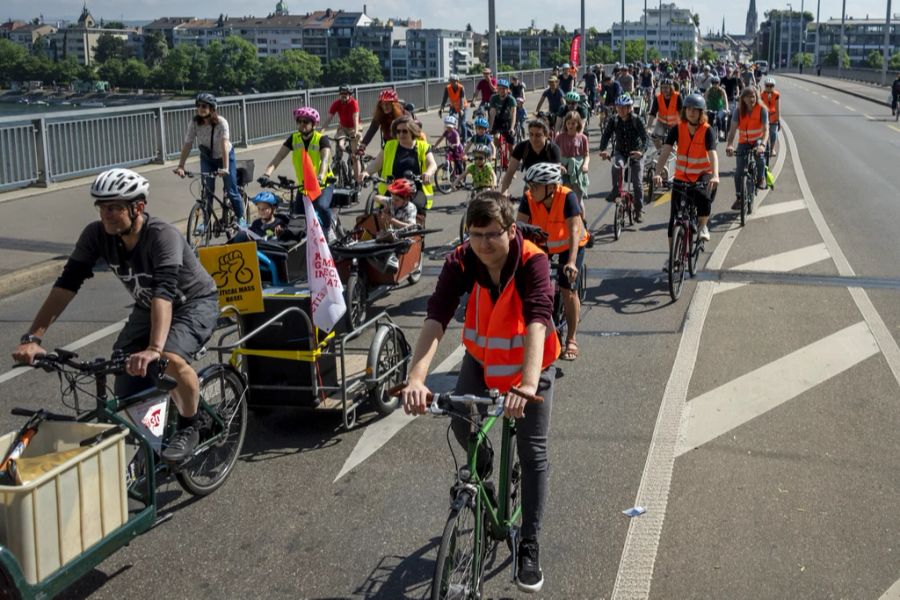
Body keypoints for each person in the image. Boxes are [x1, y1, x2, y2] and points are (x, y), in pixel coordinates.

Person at [400, 191, 559, 593]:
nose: (484, 243)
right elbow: (436, 316)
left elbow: (539, 318)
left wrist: (525, 384)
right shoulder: (462, 259)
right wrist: (416, 378)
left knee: (532, 450)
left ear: (510, 230)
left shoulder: (533, 261)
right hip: (483, 357)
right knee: (458, 419)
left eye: (492, 234)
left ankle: (528, 543)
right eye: (475, 234)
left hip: (529, 365)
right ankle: (483, 462)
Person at [13, 169, 219, 463]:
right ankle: (154, 438)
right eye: (101, 207)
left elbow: (164, 292)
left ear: (138, 208)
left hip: (193, 302)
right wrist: (34, 337)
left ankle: (191, 424)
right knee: (123, 366)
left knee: (168, 359)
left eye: (114, 208)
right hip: (149, 306)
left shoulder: (162, 236)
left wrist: (154, 349)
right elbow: (66, 284)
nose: (106, 215)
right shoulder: (96, 236)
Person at [516, 162, 587, 361]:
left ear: (550, 187)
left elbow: (574, 231)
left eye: (535, 186)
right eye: (529, 185)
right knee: (532, 284)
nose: (531, 190)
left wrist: (571, 262)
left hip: (570, 245)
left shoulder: (567, 197)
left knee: (567, 288)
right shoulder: (529, 198)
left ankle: (571, 339)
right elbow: (519, 229)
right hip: (544, 244)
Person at [653, 94, 719, 249]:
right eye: (689, 109)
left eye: (696, 110)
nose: (692, 112)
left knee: (703, 196)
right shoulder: (677, 128)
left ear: (701, 112)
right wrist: (657, 172)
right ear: (684, 110)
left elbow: (712, 153)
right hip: (682, 176)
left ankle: (703, 226)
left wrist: (715, 175)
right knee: (673, 219)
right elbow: (666, 151)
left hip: (702, 174)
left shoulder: (707, 130)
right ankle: (672, 259)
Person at [259, 106, 335, 234]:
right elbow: (278, 157)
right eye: (299, 121)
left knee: (321, 207)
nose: (301, 124)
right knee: (297, 216)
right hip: (304, 186)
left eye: (305, 122)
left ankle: (328, 230)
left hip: (323, 184)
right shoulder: (293, 138)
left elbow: (325, 160)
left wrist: (321, 176)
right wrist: (266, 174)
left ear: (314, 124)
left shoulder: (321, 139)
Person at [174, 93, 245, 227]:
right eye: (198, 105)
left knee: (231, 190)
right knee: (207, 191)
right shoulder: (194, 123)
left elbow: (224, 144)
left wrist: (225, 168)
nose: (201, 108)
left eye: (204, 106)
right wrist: (181, 166)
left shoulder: (221, 122)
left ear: (212, 108)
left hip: (225, 157)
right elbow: (188, 144)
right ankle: (205, 223)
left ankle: (241, 218)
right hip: (207, 158)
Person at [361, 115, 437, 209]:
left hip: (415, 189)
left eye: (405, 131)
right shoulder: (389, 145)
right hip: (392, 188)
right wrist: (366, 172)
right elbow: (377, 163)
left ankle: (414, 223)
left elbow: (432, 164)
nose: (401, 134)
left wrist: (428, 173)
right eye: (398, 131)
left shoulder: (423, 146)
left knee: (413, 207)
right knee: (383, 212)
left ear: (412, 132)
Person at [599, 93, 649, 222]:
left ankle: (638, 210)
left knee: (637, 183)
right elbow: (606, 135)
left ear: (630, 108)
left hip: (635, 152)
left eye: (624, 107)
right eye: (618, 107)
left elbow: (645, 138)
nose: (621, 110)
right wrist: (603, 150)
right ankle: (616, 191)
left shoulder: (637, 120)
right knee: (617, 166)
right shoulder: (614, 120)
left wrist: (641, 152)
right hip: (620, 151)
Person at [725, 86, 769, 211]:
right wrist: (729, 144)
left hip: (757, 141)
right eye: (748, 97)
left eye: (753, 96)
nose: (751, 99)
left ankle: (760, 178)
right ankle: (739, 197)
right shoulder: (738, 111)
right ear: (743, 99)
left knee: (760, 158)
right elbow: (732, 131)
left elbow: (765, 131)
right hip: (743, 142)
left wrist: (762, 145)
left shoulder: (762, 110)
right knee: (738, 171)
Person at [500, 118, 562, 194]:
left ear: (546, 135)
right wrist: (503, 194)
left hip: (549, 186)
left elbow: (557, 176)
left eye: (538, 135)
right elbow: (510, 173)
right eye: (531, 134)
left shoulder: (553, 149)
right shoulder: (522, 147)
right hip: (531, 186)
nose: (533, 138)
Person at [374, 178, 419, 272]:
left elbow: (410, 226)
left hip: (405, 236)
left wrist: (391, 220)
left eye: (397, 200)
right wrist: (385, 206)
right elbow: (376, 197)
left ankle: (393, 260)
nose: (393, 201)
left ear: (406, 199)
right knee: (377, 238)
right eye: (392, 198)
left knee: (396, 242)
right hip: (391, 234)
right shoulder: (391, 202)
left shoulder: (411, 208)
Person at [321, 84, 362, 180]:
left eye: (346, 93)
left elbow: (355, 118)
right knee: (339, 143)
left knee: (354, 156)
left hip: (354, 127)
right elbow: (328, 119)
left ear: (350, 94)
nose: (343, 95)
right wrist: (320, 133)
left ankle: (358, 179)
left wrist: (356, 133)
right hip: (343, 127)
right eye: (342, 93)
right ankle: (337, 164)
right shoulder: (336, 103)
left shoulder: (353, 103)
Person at [556, 111, 591, 206]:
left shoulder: (583, 138)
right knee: (566, 199)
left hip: (578, 171)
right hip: (564, 171)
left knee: (577, 202)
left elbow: (586, 155)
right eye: (568, 123)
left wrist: (585, 165)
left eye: (573, 123)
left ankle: (582, 220)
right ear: (565, 124)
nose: (570, 126)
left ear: (578, 124)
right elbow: (554, 155)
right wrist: (559, 165)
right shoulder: (559, 138)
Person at [359, 89, 405, 154]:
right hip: (388, 143)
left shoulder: (403, 114)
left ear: (394, 105)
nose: (385, 107)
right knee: (379, 163)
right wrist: (363, 145)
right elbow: (372, 130)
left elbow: (415, 128)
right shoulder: (380, 114)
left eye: (388, 104)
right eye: (382, 104)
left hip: (403, 144)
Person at [647, 78, 682, 150]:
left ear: (671, 88)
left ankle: (680, 155)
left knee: (679, 140)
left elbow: (682, 112)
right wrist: (648, 127)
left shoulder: (677, 97)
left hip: (674, 124)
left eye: (666, 87)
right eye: (662, 87)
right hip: (661, 122)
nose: (664, 89)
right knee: (654, 136)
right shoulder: (658, 98)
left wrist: (683, 125)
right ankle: (660, 152)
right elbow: (653, 113)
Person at [439, 74, 469, 145]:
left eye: (454, 81)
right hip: (453, 106)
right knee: (450, 122)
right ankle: (452, 138)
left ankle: (464, 141)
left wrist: (461, 109)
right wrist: (441, 108)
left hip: (463, 107)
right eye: (451, 81)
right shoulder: (447, 88)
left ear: (457, 81)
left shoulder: (461, 88)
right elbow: (444, 99)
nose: (452, 83)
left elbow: (462, 99)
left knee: (462, 124)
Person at [489, 79, 518, 152]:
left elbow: (513, 114)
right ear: (497, 89)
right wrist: (490, 127)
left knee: (511, 147)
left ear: (507, 90)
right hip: (498, 121)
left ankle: (512, 161)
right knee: (496, 137)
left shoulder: (511, 100)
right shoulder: (494, 98)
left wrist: (512, 128)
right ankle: (498, 150)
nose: (502, 90)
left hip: (508, 121)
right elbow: (492, 113)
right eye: (500, 88)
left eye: (504, 88)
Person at [759, 77, 781, 159]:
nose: (769, 87)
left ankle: (772, 149)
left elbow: (778, 108)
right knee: (763, 134)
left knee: (773, 134)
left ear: (773, 86)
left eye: (771, 86)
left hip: (773, 117)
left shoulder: (776, 95)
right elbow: (759, 107)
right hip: (764, 117)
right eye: (767, 86)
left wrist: (778, 120)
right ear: (765, 86)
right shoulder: (761, 95)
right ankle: (763, 146)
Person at [705, 76, 729, 141]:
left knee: (719, 117)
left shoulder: (722, 91)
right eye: (713, 83)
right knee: (708, 119)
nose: (714, 84)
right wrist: (704, 109)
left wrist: (726, 109)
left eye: (716, 83)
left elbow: (725, 100)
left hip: (720, 108)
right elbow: (705, 100)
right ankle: (709, 132)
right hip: (710, 108)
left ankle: (721, 131)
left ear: (719, 83)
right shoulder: (709, 90)